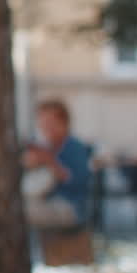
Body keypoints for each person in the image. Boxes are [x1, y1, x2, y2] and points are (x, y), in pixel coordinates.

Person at [22, 98, 93, 229]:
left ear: (64, 122)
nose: (44, 126)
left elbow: (79, 182)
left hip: (69, 207)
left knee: (20, 212)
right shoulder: (40, 144)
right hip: (41, 202)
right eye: (41, 122)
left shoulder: (75, 147)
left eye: (49, 122)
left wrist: (50, 162)